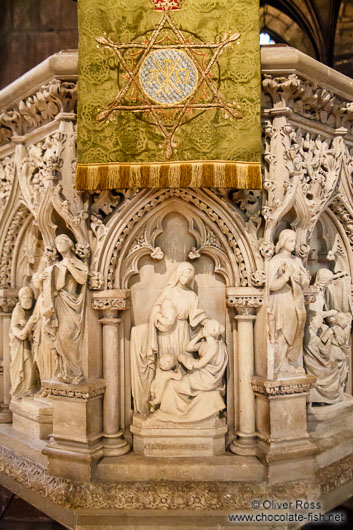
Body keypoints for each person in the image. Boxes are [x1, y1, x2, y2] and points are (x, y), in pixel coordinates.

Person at [131, 262, 208, 415]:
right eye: (184, 274)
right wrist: (160, 317)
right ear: (178, 274)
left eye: (189, 276)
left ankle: (180, 403)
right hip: (166, 333)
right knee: (166, 363)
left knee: (182, 363)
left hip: (183, 330)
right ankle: (163, 403)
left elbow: (197, 315)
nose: (186, 278)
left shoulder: (191, 295)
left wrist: (209, 325)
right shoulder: (169, 291)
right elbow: (157, 308)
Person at [154, 319, 228, 422]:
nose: (203, 329)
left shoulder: (213, 347)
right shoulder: (206, 344)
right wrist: (198, 336)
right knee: (175, 382)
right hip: (202, 374)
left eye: (206, 327)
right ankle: (173, 410)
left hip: (207, 379)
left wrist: (185, 359)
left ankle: (175, 412)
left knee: (172, 385)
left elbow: (198, 364)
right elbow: (189, 348)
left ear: (211, 330)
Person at [41, 234, 88, 384]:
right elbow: (49, 289)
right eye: (56, 242)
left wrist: (69, 265)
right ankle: (64, 371)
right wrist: (45, 280)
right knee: (60, 338)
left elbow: (82, 279)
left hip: (73, 305)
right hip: (58, 303)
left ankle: (75, 371)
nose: (59, 244)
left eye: (62, 241)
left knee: (68, 336)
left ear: (70, 243)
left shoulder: (76, 262)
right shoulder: (56, 266)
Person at [268, 229, 310, 375]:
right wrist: (286, 276)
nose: (294, 244)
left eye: (294, 241)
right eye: (291, 241)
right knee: (282, 332)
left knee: (293, 331)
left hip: (295, 301)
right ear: (283, 242)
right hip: (280, 299)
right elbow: (271, 286)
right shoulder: (275, 261)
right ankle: (280, 366)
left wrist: (301, 279)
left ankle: (289, 362)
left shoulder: (296, 260)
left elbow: (306, 281)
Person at [9, 287, 39, 400]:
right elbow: (18, 332)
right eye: (25, 298)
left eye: (30, 298)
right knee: (26, 364)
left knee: (33, 365)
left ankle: (30, 387)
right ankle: (22, 389)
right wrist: (27, 326)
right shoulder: (17, 311)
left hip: (32, 343)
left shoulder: (34, 308)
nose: (27, 301)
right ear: (20, 299)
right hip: (19, 346)